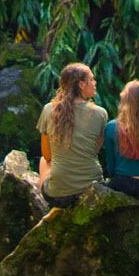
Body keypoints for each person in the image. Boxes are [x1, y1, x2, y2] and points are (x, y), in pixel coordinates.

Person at [38, 62, 108, 208]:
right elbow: (94, 150)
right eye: (92, 79)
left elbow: (47, 155)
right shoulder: (100, 113)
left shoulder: (48, 110)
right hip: (92, 189)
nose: (95, 83)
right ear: (82, 85)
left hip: (58, 195)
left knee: (43, 162)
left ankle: (50, 209)